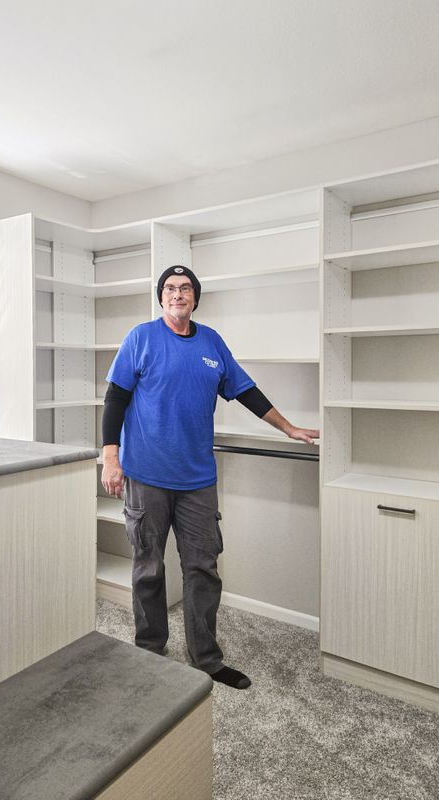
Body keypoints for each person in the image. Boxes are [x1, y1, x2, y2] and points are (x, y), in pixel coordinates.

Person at [101, 265, 319, 689]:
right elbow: (115, 399)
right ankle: (150, 649)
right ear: (161, 297)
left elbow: (246, 391)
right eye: (169, 288)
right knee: (148, 567)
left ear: (195, 298)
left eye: (185, 289)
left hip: (197, 479)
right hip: (146, 476)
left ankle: (207, 659)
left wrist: (289, 427)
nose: (177, 294)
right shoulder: (140, 338)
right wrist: (112, 458)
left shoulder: (211, 343)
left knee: (203, 568)